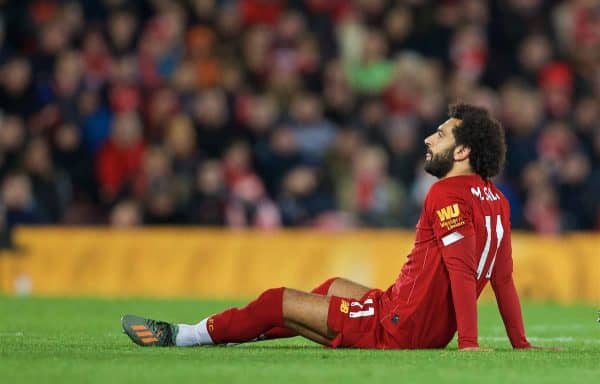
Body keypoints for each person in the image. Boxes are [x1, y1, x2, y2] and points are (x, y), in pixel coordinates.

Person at [122, 103, 546, 351]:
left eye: (440, 135)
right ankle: (238, 332)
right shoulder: (497, 200)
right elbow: (502, 279)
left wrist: (469, 344)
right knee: (330, 287)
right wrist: (519, 343)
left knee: (276, 300)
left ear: (463, 151)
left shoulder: (445, 195)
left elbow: (459, 270)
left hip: (400, 325)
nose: (428, 140)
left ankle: (184, 336)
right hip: (408, 314)